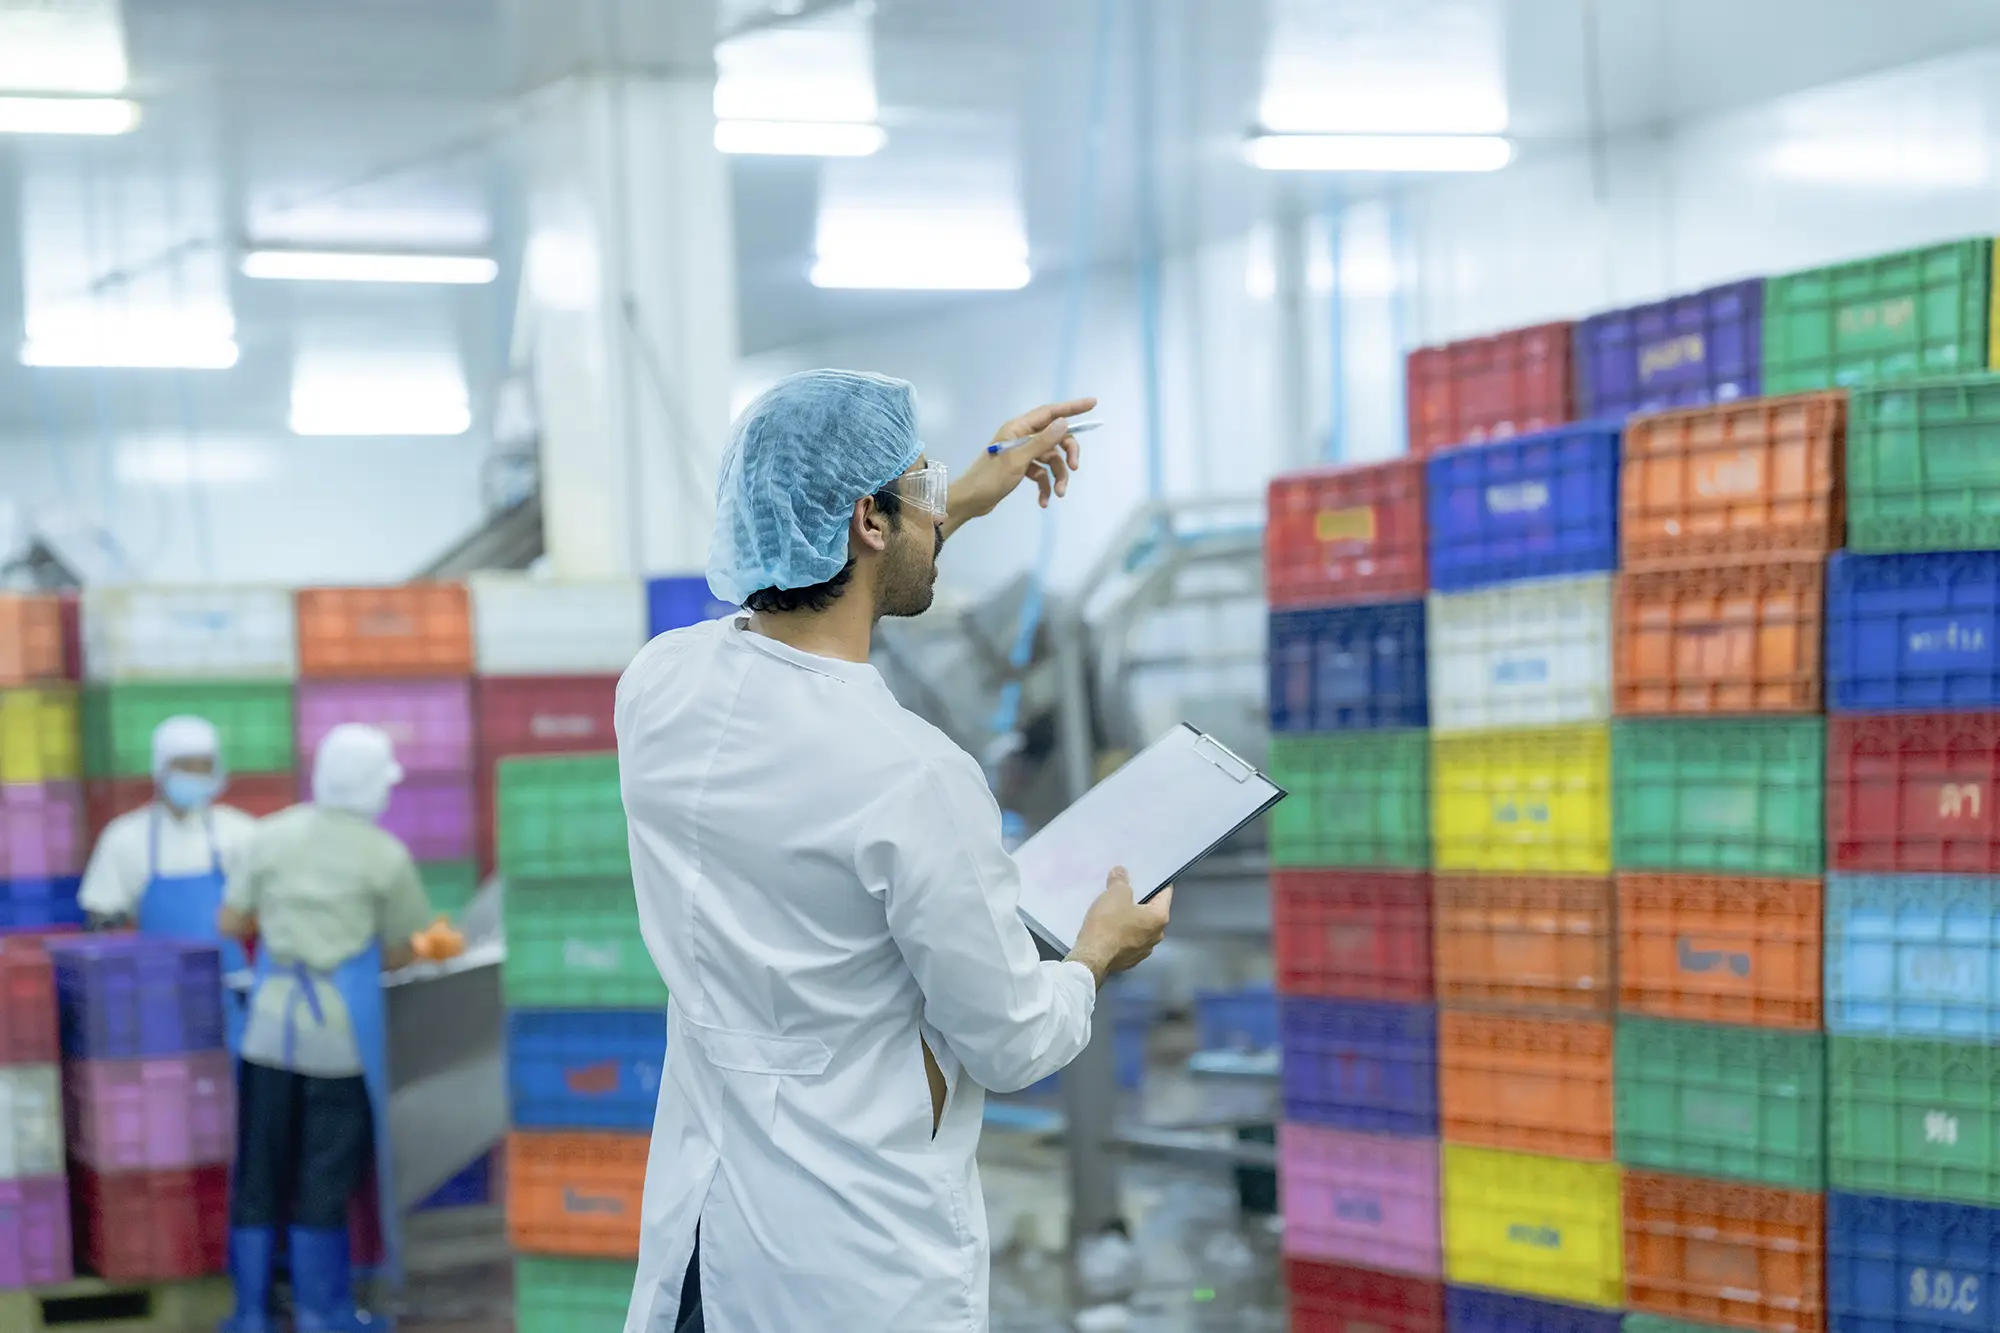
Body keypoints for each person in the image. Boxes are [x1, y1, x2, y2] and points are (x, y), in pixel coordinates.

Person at [616, 370, 1173, 1332]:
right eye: (924, 486)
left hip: (705, 1239)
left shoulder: (661, 687)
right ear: (871, 523)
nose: (937, 504)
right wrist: (1093, 954)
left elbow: (804, 571)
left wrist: (961, 492)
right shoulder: (915, 776)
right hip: (855, 1263)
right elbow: (1011, 1040)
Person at [213, 723, 459, 1333]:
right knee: (323, 1175)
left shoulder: (270, 835)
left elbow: (231, 919)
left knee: (259, 1169)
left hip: (267, 1030)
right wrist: (429, 947)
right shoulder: (384, 855)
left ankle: (250, 1313)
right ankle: (323, 1314)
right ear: (376, 784)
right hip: (337, 1043)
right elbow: (404, 949)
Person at [78, 715, 261, 1042]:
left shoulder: (240, 832)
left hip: (231, 994)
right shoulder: (125, 837)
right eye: (184, 766)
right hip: (155, 996)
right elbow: (101, 923)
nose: (194, 775)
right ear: (161, 769)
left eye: (203, 766)